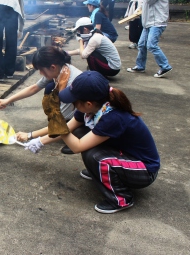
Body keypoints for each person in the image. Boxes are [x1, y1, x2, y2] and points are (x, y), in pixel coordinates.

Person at [24, 71, 160, 214]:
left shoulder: (113, 117)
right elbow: (68, 128)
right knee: (80, 133)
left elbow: (77, 146)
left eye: (74, 101)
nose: (73, 105)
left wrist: (57, 122)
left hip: (144, 170)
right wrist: (39, 141)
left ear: (88, 104)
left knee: (95, 157)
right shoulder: (95, 106)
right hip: (125, 156)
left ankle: (122, 199)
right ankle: (102, 173)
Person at [0, 46, 82, 154]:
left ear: (52, 67)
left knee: (73, 128)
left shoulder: (70, 85)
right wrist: (8, 100)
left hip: (86, 118)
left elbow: (60, 125)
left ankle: (79, 140)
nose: (40, 73)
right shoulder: (61, 69)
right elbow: (34, 87)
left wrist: (30, 135)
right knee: (49, 87)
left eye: (41, 70)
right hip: (76, 115)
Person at [127, 0, 172, 78]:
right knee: (141, 44)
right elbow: (146, 3)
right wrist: (138, 11)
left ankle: (165, 66)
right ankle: (140, 66)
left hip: (157, 21)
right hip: (148, 21)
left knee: (151, 45)